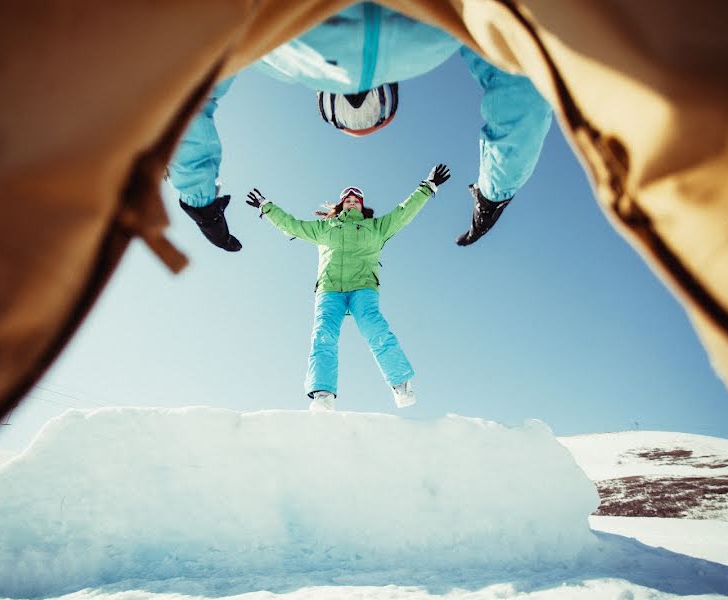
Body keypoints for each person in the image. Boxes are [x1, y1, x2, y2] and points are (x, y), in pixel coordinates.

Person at [171, 2, 551, 252]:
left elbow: (183, 96)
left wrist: (204, 206)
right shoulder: (267, 44)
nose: (354, 97)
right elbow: (522, 86)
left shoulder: (265, 41)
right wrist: (490, 196)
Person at [245, 164, 451, 410]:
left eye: (356, 200)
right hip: (330, 290)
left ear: (362, 205)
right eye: (348, 200)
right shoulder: (324, 228)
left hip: (363, 288)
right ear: (341, 204)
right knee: (323, 337)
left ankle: (401, 386)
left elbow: (403, 212)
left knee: (377, 330)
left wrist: (427, 187)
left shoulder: (376, 227)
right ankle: (323, 395)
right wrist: (266, 207)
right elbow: (292, 224)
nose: (352, 202)